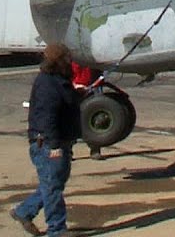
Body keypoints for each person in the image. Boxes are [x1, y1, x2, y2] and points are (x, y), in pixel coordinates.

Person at [10, 43, 81, 237]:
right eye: (68, 58)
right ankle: (56, 229)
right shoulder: (47, 83)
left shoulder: (59, 81)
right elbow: (46, 116)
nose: (71, 61)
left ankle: (23, 212)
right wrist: (54, 146)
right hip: (47, 144)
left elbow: (66, 103)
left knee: (53, 185)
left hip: (60, 142)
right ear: (59, 61)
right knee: (53, 187)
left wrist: (79, 94)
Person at [71, 61, 105, 159]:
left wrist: (95, 84)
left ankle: (95, 149)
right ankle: (68, 150)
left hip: (91, 87)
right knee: (70, 119)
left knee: (94, 118)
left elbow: (99, 70)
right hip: (73, 87)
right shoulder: (69, 55)